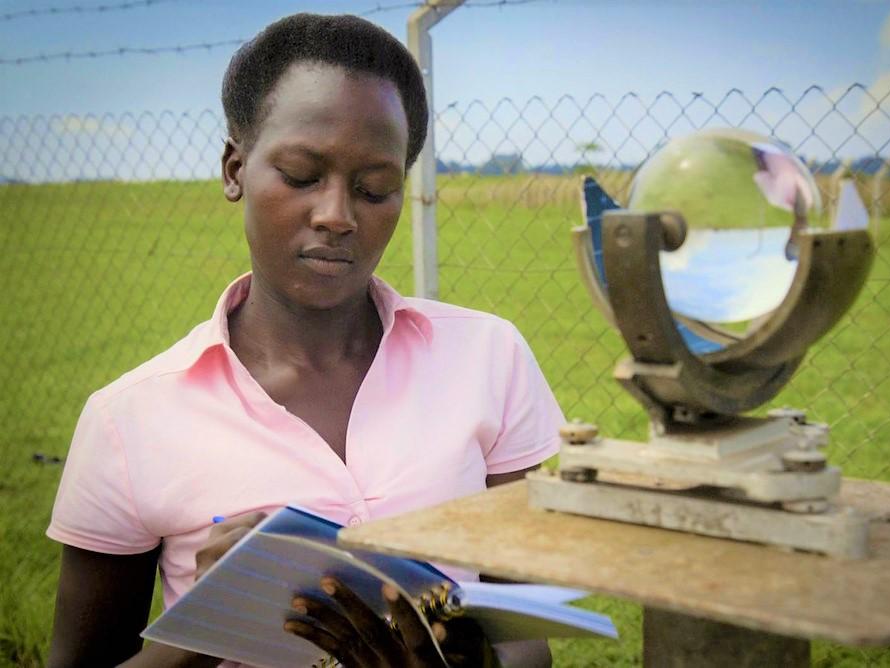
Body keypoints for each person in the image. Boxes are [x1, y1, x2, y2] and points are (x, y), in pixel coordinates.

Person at [46, 13, 562, 668]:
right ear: (235, 169)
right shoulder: (130, 419)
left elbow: (531, 641)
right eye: (300, 176)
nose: (337, 216)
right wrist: (210, 623)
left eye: (374, 188)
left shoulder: (490, 358)